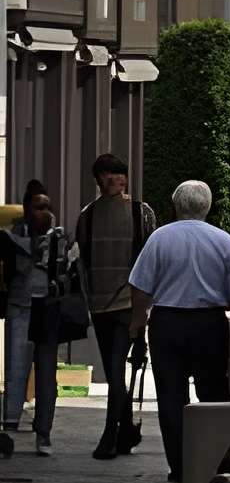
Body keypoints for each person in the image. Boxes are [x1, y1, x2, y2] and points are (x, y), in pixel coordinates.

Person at [128, 180, 230, 483]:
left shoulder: (159, 238)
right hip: (209, 323)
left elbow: (141, 287)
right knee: (213, 393)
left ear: (175, 204)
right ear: (207, 206)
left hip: (167, 323)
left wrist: (138, 324)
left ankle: (180, 466)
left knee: (171, 396)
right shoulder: (223, 240)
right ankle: (215, 459)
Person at [75, 154, 158, 462]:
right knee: (114, 372)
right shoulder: (95, 215)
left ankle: (111, 434)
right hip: (105, 304)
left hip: (124, 304)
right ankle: (122, 431)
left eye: (119, 174)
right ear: (98, 180)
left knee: (114, 368)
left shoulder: (136, 213)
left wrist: (144, 310)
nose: (115, 180)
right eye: (108, 175)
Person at [2, 180, 76, 457]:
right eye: (37, 207)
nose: (42, 212)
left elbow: (67, 271)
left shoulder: (58, 236)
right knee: (15, 368)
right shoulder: (13, 235)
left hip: (47, 307)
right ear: (27, 208)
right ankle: (9, 427)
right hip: (21, 304)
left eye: (47, 207)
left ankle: (43, 432)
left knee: (47, 374)